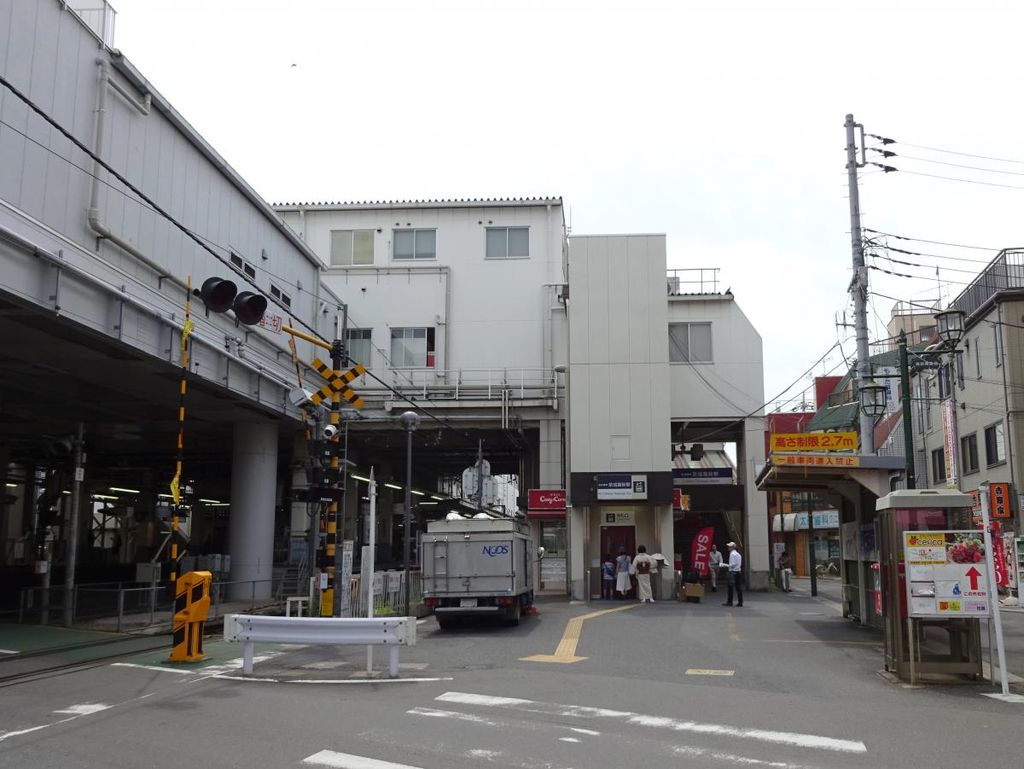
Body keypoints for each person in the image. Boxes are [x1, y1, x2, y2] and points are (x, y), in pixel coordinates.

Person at [723, 541, 744, 607]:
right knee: (738, 588)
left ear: (732, 547)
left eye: (729, 547)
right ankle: (740, 602)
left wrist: (725, 565)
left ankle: (730, 602)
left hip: (732, 572)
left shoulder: (732, 554)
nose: (728, 548)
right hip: (738, 571)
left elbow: (732, 564)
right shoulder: (738, 554)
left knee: (730, 587)